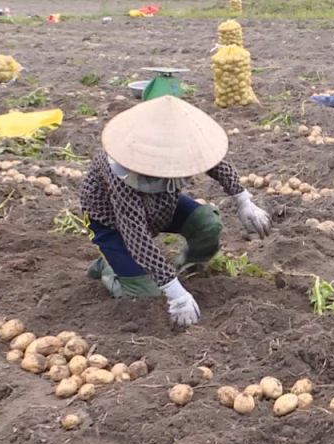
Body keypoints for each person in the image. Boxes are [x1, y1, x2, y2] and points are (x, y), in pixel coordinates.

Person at [80, 96, 271, 327]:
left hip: (163, 203)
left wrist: (243, 200)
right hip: (113, 223)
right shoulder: (119, 170)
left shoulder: (181, 145)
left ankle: (185, 265)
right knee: (146, 295)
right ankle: (110, 269)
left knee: (208, 224)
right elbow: (137, 236)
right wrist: (173, 291)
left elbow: (214, 163)